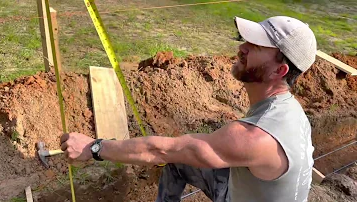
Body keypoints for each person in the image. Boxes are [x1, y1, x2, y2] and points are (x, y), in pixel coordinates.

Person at [60, 15, 317, 202]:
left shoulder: (255, 137)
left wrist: (93, 148)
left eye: (256, 46)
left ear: (279, 70)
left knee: (176, 153)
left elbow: (160, 150)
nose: (242, 48)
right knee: (179, 162)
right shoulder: (288, 110)